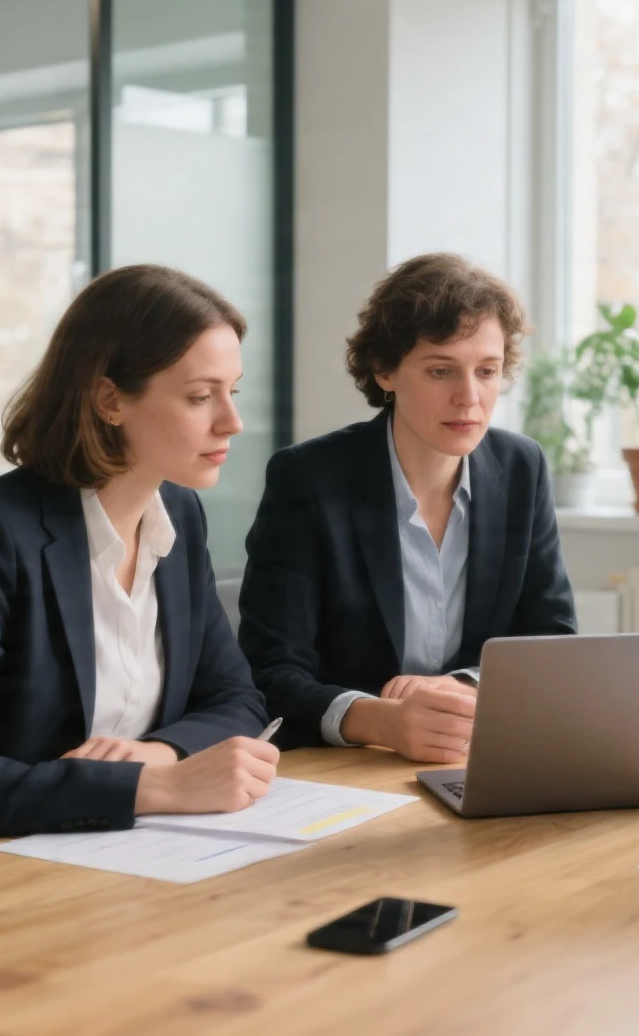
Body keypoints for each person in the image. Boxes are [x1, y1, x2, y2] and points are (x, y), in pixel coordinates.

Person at [0, 265, 279, 843]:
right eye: (201, 396)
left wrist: (160, 753)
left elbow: (236, 698)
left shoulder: (176, 512)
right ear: (109, 400)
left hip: (107, 857)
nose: (233, 421)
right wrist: (158, 787)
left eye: (233, 391)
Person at [240, 253, 574, 761]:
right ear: (385, 370)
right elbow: (270, 672)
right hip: (348, 766)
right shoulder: (308, 478)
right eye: (441, 371)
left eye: (487, 371)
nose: (470, 398)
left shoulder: (520, 467)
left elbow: (551, 643)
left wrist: (462, 686)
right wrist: (382, 720)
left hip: (474, 754)